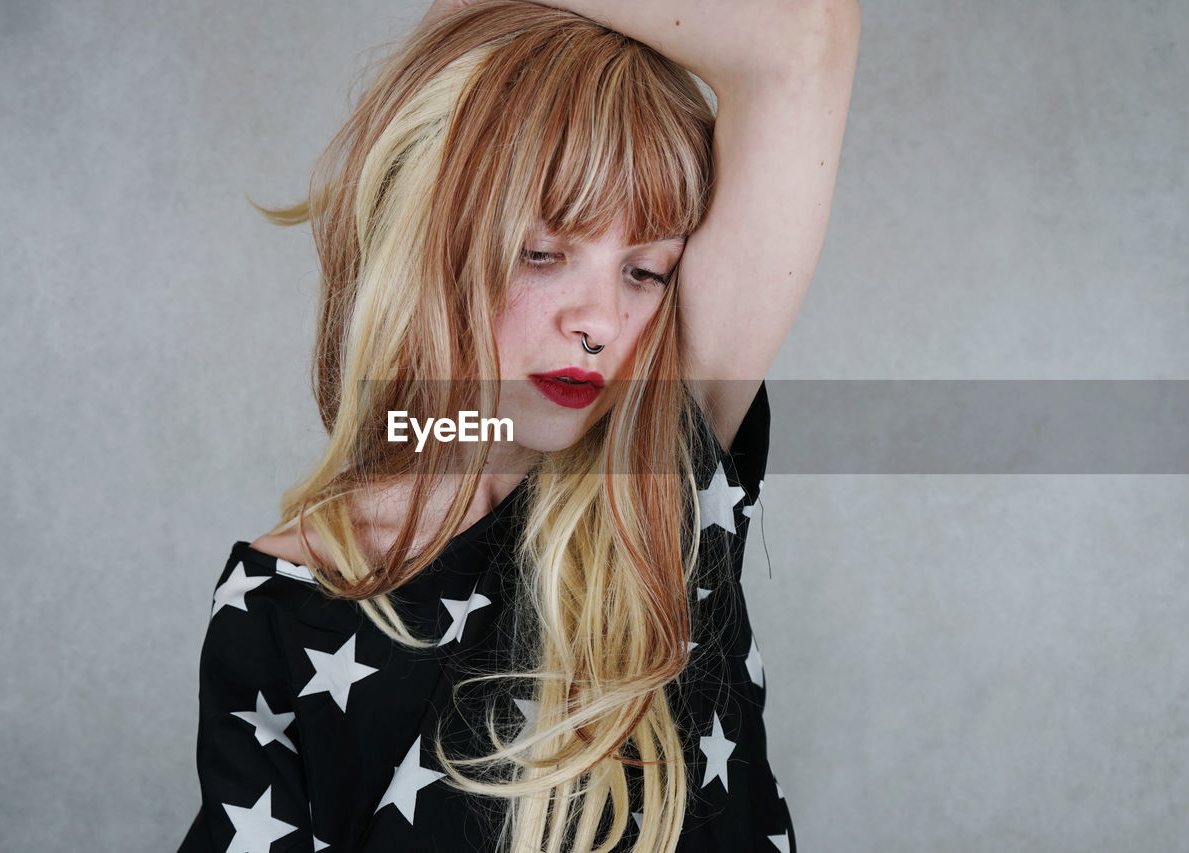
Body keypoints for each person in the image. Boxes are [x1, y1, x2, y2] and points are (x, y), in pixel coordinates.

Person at [178, 1, 859, 851]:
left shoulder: (656, 477)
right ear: (427, 239)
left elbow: (806, 38)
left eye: (645, 270)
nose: (600, 319)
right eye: (543, 254)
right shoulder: (281, 604)